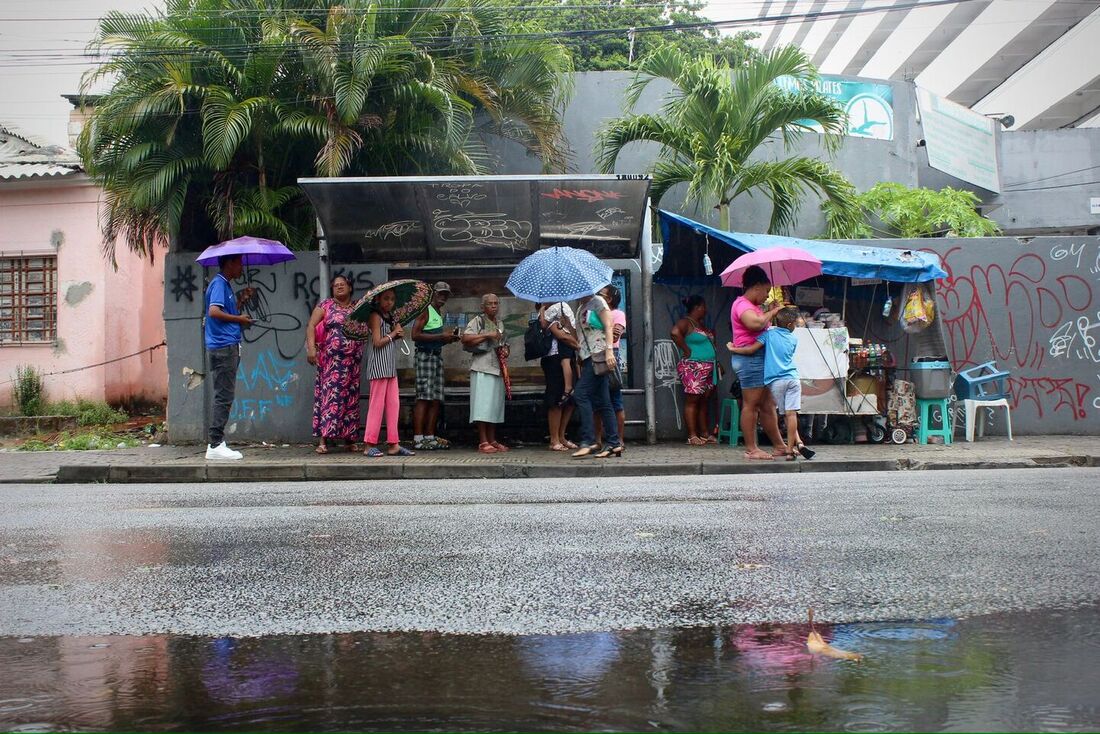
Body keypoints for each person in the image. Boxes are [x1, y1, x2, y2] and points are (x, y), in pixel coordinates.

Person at [729, 307, 815, 460]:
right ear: (790, 325)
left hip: (776, 381)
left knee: (783, 413)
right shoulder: (794, 339)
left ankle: (791, 448)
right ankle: (793, 447)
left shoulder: (768, 334)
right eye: (795, 323)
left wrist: (733, 348)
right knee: (791, 414)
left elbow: (750, 350)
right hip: (793, 379)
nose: (795, 326)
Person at [729, 265, 789, 461]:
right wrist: (772, 313)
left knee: (767, 405)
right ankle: (751, 448)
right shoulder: (742, 305)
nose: (766, 295)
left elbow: (760, 320)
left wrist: (769, 311)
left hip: (759, 359)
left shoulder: (753, 306)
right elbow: (754, 324)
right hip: (750, 360)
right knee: (751, 405)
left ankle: (780, 446)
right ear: (755, 286)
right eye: (765, 290)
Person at [203, 254, 254, 461]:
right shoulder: (219, 284)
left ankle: (217, 442)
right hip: (223, 347)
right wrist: (239, 319)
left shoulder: (226, 286)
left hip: (227, 345)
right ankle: (215, 443)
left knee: (225, 396)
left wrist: (240, 302)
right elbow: (214, 312)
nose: (241, 267)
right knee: (223, 396)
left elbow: (225, 315)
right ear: (230, 264)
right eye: (239, 262)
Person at [306, 275, 363, 454]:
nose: (338, 287)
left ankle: (349, 439)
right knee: (329, 398)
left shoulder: (357, 307)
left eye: (342, 284)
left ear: (350, 287)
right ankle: (323, 440)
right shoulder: (325, 306)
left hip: (352, 362)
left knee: (350, 400)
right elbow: (311, 326)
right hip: (331, 362)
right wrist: (311, 350)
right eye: (335, 285)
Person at [362, 289, 414, 457]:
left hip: (390, 367)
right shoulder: (375, 316)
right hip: (378, 367)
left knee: (393, 405)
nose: (389, 302)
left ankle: (394, 444)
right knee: (376, 406)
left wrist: (397, 334)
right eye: (386, 299)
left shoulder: (390, 317)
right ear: (378, 299)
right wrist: (392, 334)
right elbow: (377, 342)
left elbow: (390, 339)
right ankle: (369, 445)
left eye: (392, 299)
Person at [572, 286, 622, 459]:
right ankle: (614, 444)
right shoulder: (580, 307)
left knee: (580, 394)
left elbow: (609, 326)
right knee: (603, 401)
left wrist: (609, 351)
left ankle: (588, 440)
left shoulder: (597, 302)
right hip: (588, 356)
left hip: (598, 354)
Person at [411, 282, 461, 451]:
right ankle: (418, 437)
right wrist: (442, 335)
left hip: (436, 356)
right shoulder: (425, 309)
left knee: (435, 398)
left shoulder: (438, 313)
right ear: (433, 293)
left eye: (446, 295)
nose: (443, 297)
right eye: (440, 293)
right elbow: (415, 335)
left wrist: (448, 339)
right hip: (425, 357)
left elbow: (435, 337)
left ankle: (430, 436)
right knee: (424, 396)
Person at [462, 293, 509, 453]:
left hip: (497, 368)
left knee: (494, 406)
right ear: (483, 307)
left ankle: (492, 439)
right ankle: (483, 441)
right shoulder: (477, 321)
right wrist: (487, 334)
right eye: (490, 303)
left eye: (496, 303)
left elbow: (503, 342)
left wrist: (505, 350)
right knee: (482, 406)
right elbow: (466, 338)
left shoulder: (500, 323)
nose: (494, 306)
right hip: (482, 367)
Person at [671, 295, 719, 446]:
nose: (706, 310)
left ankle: (704, 433)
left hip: (709, 365)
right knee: (692, 400)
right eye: (704, 306)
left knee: (704, 400)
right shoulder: (686, 322)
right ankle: (692, 435)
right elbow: (674, 333)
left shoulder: (701, 324)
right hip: (694, 366)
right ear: (697, 307)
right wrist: (686, 350)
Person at [539, 301, 579, 452]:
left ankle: (562, 436)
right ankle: (554, 438)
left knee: (569, 399)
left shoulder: (563, 308)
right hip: (554, 358)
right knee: (556, 398)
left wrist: (568, 325)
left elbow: (571, 332)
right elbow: (561, 336)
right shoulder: (547, 313)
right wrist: (578, 345)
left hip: (568, 355)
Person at [594, 285, 626, 447]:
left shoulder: (617, 314)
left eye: (601, 295)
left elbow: (615, 335)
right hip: (596, 355)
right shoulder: (596, 312)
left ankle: (619, 439)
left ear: (610, 299)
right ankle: (597, 440)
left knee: (616, 401)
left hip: (611, 354)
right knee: (598, 402)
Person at [539, 301, 576, 408]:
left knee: (565, 362)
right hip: (571, 336)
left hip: (564, 341)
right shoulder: (565, 305)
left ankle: (568, 387)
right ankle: (571, 386)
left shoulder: (555, 307)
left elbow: (543, 324)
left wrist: (541, 311)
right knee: (570, 362)